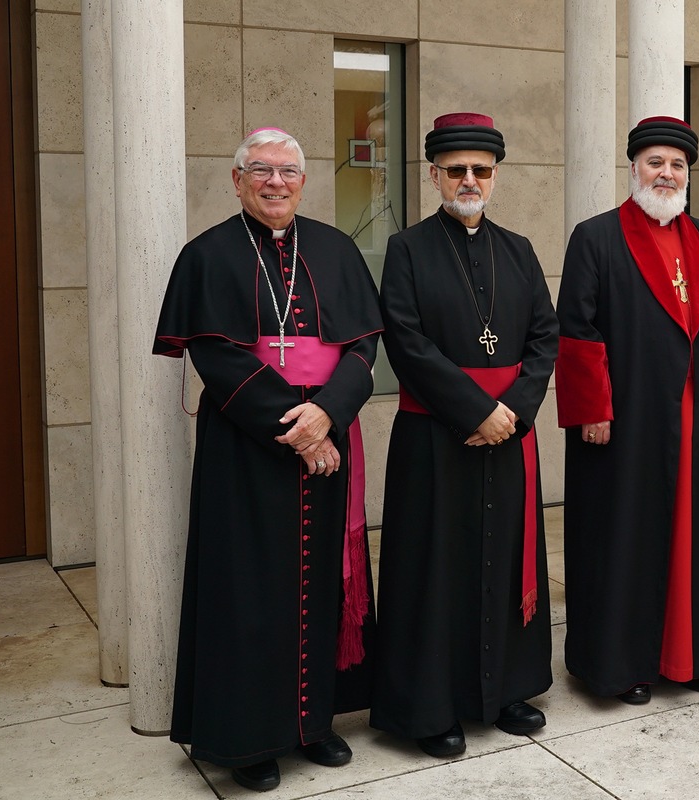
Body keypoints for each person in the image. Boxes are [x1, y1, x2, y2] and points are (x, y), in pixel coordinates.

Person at [153, 128, 382, 792]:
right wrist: (300, 429)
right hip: (247, 446)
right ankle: (250, 737)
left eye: (288, 171)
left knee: (321, 585)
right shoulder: (208, 255)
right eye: (260, 170)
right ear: (236, 179)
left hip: (329, 439)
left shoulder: (336, 250)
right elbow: (215, 356)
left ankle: (313, 725)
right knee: (247, 588)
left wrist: (328, 416)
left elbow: (365, 349)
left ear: (304, 182)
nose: (275, 181)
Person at [370, 113, 558, 757]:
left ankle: (503, 690)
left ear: (496, 176)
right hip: (436, 437)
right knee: (435, 569)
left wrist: (514, 410)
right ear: (434, 176)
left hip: (509, 434)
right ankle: (432, 707)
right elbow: (405, 340)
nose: (469, 181)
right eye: (456, 171)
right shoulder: (407, 249)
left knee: (504, 560)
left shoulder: (521, 250)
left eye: (481, 170)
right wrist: (475, 410)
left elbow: (544, 338)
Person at [555, 116, 699, 704]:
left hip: (692, 416)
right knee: (626, 536)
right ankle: (624, 665)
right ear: (634, 168)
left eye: (678, 166)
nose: (666, 174)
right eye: (655, 163)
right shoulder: (596, 236)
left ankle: (690, 657)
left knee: (693, 535)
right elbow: (576, 330)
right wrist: (592, 407)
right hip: (624, 419)